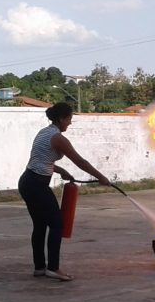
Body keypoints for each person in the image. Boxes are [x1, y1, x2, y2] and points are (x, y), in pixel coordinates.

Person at [18, 102, 112, 281]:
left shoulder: (44, 132)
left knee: (40, 225)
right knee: (56, 224)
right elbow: (80, 161)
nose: (70, 123)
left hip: (27, 182)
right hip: (37, 185)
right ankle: (53, 268)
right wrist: (101, 177)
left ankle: (40, 267)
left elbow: (41, 159)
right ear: (61, 119)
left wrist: (61, 171)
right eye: (69, 119)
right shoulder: (58, 138)